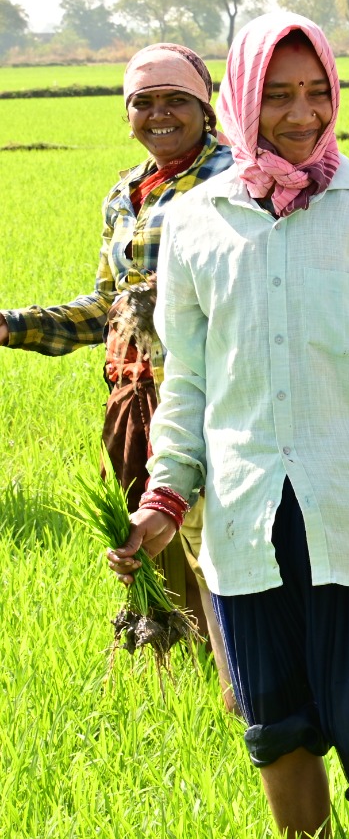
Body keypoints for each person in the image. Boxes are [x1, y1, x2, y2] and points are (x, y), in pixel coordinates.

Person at [105, 13, 349, 839]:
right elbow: (190, 384)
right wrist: (165, 500)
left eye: (316, 93)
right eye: (277, 96)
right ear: (241, 101)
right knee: (277, 732)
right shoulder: (198, 225)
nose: (301, 115)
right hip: (245, 521)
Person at [0, 42, 237, 711]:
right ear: (127, 111)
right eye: (144, 102)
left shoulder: (235, 181)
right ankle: (172, 686)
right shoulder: (124, 194)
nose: (159, 113)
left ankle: (245, 699)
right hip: (134, 398)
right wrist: (12, 325)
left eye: (176, 101)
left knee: (213, 551)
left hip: (207, 399)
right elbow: (109, 305)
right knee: (151, 551)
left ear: (207, 105)